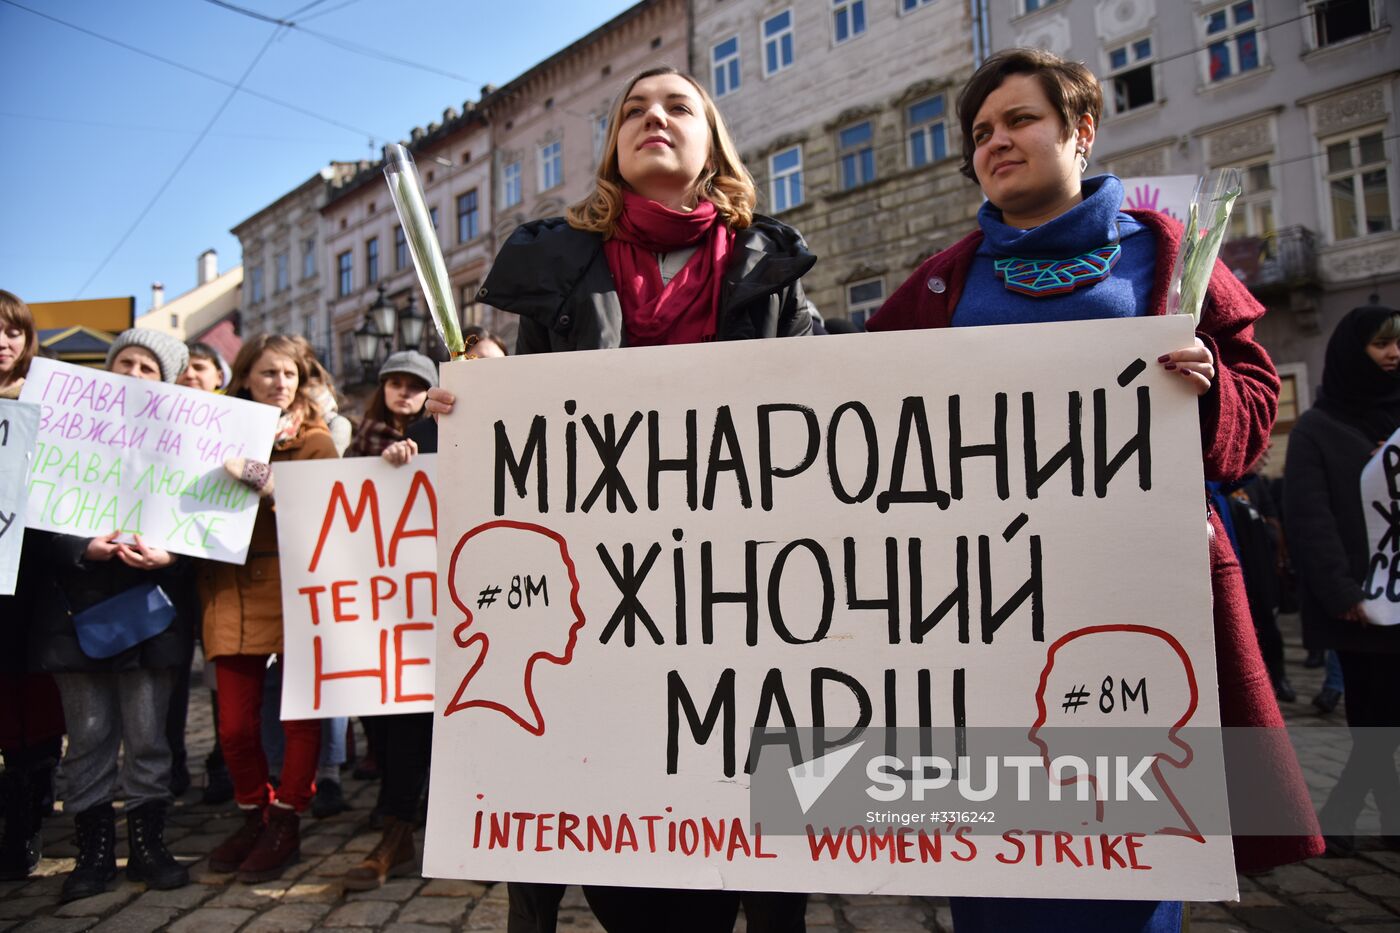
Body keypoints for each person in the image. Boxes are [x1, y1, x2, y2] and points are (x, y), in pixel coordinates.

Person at [867, 47, 1322, 931]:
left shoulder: (1169, 251)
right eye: (980, 132)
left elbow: (1256, 404)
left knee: (1130, 850)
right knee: (998, 861)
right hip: (982, 621)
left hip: (1137, 611)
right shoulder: (938, 282)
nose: (995, 141)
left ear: (1080, 130)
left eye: (1019, 119)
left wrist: (1213, 389)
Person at [425, 65, 815, 933]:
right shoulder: (556, 268)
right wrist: (476, 403)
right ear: (612, 149)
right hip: (599, 596)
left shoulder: (772, 264)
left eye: (678, 105)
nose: (654, 117)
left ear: (713, 141)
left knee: (744, 830)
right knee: (627, 862)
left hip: (738, 597)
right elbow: (520, 438)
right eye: (633, 109)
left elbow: (827, 412)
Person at [30, 328, 193, 901]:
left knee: (149, 738)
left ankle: (150, 847)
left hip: (152, 613)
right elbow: (35, 515)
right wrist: (82, 547)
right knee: (91, 736)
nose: (134, 374)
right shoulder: (63, 435)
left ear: (167, 383)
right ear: (106, 369)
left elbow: (206, 523)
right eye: (125, 362)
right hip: (78, 612)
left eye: (149, 368)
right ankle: (92, 853)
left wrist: (170, 554)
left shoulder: (185, 445)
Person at [200, 334, 337, 883]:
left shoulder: (316, 441)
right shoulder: (209, 434)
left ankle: (286, 820)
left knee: (299, 717)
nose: (280, 384)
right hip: (229, 586)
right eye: (267, 374)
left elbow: (331, 524)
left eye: (289, 375)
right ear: (245, 378)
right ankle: (255, 810)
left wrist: (271, 484)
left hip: (295, 587)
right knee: (234, 725)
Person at [1284, 304, 1400, 855]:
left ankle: (1351, 818)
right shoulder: (1318, 428)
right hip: (1359, 598)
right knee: (1376, 717)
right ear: (1356, 352)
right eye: (1382, 345)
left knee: (1384, 720)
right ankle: (1346, 818)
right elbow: (1310, 517)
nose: (1394, 354)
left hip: (1398, 590)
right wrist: (1341, 591)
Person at [339, 349, 438, 890]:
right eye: (395, 383)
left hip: (471, 598)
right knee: (401, 715)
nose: (403, 392)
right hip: (401, 602)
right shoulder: (373, 442)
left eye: (414, 383)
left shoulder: (445, 429)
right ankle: (398, 829)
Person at [0, 290, 65, 882]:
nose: (3, 342)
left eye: (12, 332)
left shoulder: (52, 405)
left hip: (36, 574)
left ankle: (26, 815)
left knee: (31, 689)